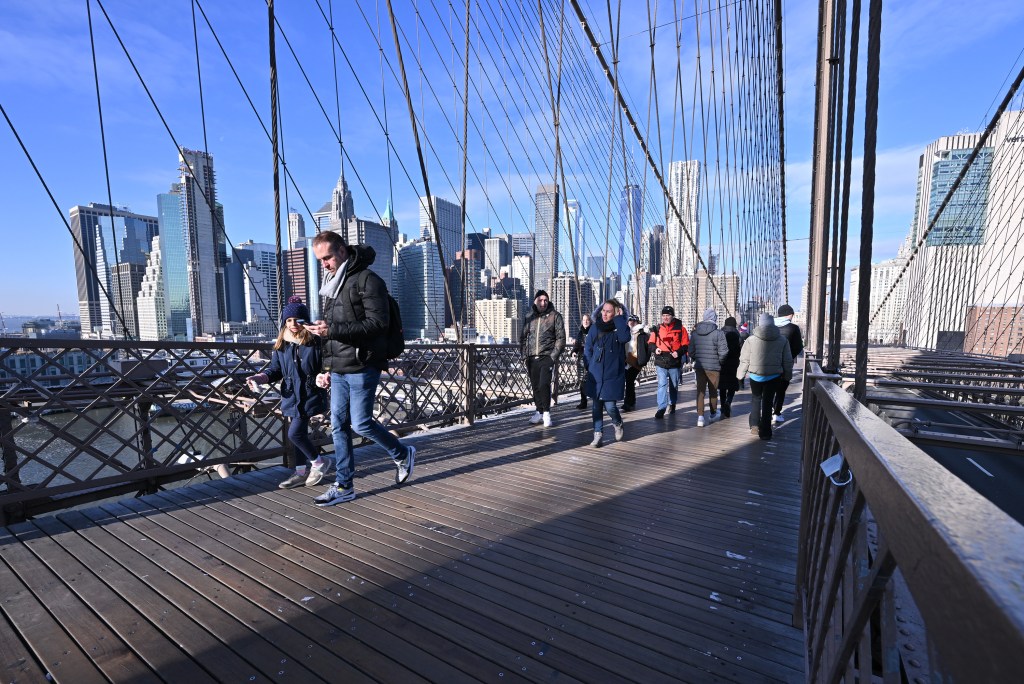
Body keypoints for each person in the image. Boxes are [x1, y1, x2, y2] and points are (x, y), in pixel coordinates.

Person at [305, 231, 416, 506]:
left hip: (364, 362)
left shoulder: (368, 280)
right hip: (340, 366)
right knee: (338, 426)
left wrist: (332, 329)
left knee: (361, 423)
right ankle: (344, 486)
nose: (325, 265)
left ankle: (402, 453)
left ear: (342, 251)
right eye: (320, 260)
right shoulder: (333, 283)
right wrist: (326, 366)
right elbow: (334, 334)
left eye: (328, 257)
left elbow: (377, 324)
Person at [247, 296, 328, 489]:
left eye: (298, 320)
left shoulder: (315, 343)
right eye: (289, 320)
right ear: (284, 322)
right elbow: (275, 370)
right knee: (298, 434)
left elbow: (327, 365)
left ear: (305, 321)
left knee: (294, 434)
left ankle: (319, 463)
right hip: (291, 395)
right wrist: (259, 378)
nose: (293, 324)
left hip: (309, 394)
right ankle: (300, 472)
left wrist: (324, 376)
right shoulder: (282, 345)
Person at [737, 313, 794, 440]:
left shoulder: (750, 340)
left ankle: (754, 426)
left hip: (755, 376)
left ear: (760, 323)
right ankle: (766, 432)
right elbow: (787, 361)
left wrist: (740, 375)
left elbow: (744, 359)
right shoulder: (783, 340)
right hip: (774, 376)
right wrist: (787, 376)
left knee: (756, 399)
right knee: (768, 402)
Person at [584, 299, 630, 447]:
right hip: (596, 373)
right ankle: (598, 434)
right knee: (596, 406)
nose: (604, 314)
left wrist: (619, 319)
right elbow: (588, 348)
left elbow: (625, 338)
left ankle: (617, 422)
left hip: (613, 373)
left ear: (616, 312)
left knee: (610, 406)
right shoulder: (595, 327)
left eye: (609, 311)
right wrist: (589, 365)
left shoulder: (620, 328)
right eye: (603, 310)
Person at [521, 290, 566, 427]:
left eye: (545, 300)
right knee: (535, 387)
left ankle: (546, 413)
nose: (543, 303)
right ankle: (539, 412)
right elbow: (523, 337)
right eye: (540, 300)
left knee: (544, 384)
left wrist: (553, 357)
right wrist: (524, 356)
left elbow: (561, 338)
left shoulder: (555, 316)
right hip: (531, 358)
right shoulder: (529, 316)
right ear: (535, 301)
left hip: (547, 356)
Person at [689, 307, 729, 427]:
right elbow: (724, 351)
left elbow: (690, 351)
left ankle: (700, 417)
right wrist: (719, 361)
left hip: (700, 367)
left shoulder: (695, 333)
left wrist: (698, 359)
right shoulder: (719, 333)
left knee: (700, 391)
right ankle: (712, 414)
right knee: (713, 391)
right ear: (714, 318)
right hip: (714, 367)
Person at [648, 305, 689, 419]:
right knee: (662, 383)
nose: (665, 318)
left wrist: (679, 352)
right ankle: (661, 408)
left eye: (668, 315)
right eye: (664, 315)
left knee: (674, 385)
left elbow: (686, 344)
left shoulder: (681, 329)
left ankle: (672, 403)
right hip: (661, 359)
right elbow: (651, 343)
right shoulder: (657, 329)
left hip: (674, 360)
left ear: (672, 316)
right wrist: (655, 349)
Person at [773, 304, 804, 424]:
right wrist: (789, 357)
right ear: (790, 315)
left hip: (769, 362)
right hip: (786, 364)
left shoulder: (769, 326)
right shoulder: (793, 328)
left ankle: (769, 408)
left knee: (770, 386)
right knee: (781, 388)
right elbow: (798, 347)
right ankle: (776, 412)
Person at [622, 314, 649, 411]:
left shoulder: (642, 333)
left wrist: (644, 359)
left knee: (629, 380)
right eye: (630, 320)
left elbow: (648, 348)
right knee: (629, 381)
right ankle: (631, 401)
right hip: (626, 360)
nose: (632, 322)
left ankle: (627, 403)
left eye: (634, 321)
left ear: (638, 322)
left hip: (636, 361)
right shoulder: (626, 332)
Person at [718, 317, 743, 418]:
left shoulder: (720, 334)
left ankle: (723, 405)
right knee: (732, 385)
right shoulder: (738, 335)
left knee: (722, 386)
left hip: (722, 363)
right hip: (734, 364)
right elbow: (742, 350)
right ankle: (729, 402)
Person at [572, 314, 593, 410]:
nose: (585, 321)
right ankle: (583, 402)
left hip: (592, 360)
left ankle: (598, 400)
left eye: (587, 320)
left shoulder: (594, 331)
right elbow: (576, 346)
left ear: (590, 321)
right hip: (581, 360)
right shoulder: (580, 333)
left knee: (593, 380)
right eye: (584, 320)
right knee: (582, 381)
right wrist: (573, 352)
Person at [738, 322, 751, 389]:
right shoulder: (748, 336)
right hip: (746, 354)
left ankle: (740, 384)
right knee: (744, 369)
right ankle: (741, 384)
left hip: (739, 355)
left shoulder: (739, 336)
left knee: (740, 369)